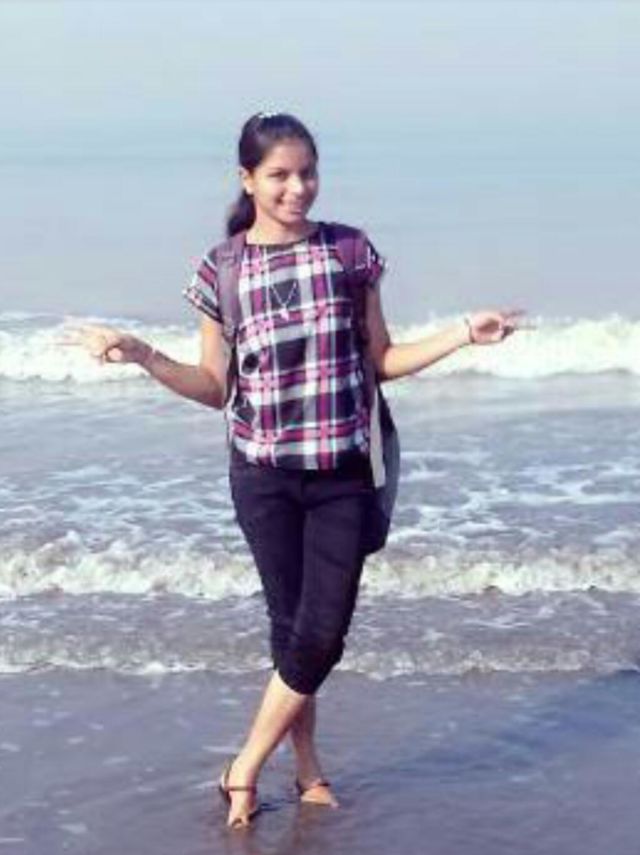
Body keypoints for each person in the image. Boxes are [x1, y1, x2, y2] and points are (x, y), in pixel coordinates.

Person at [63, 112, 526, 829]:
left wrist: (464, 332)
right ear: (247, 180)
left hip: (342, 473)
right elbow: (215, 387)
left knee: (322, 635)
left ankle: (242, 768)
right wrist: (144, 354)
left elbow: (382, 360)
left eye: (307, 172)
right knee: (290, 631)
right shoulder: (222, 268)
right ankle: (307, 770)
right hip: (263, 479)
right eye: (279, 175)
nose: (297, 188)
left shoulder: (349, 251)